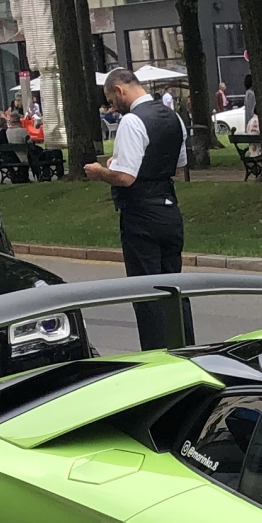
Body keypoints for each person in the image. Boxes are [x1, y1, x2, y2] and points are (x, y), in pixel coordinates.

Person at [81, 67, 189, 350]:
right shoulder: (174, 118)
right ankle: (186, 349)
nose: (111, 107)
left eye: (112, 100)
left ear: (120, 90)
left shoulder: (132, 122)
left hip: (141, 215)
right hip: (169, 209)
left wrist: (100, 172)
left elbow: (125, 177)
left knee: (147, 292)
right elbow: (178, 166)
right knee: (174, 288)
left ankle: (157, 355)